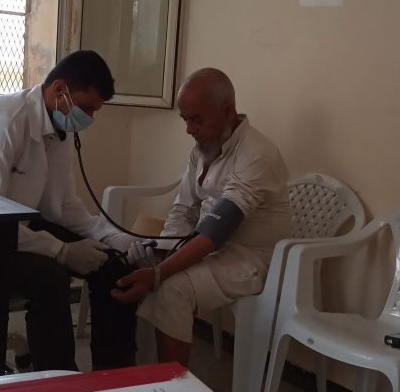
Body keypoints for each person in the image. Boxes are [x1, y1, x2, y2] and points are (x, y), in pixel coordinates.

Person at [0, 50, 142, 371]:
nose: (89, 119)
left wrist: (116, 237)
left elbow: (62, 206)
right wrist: (60, 250)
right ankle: (58, 389)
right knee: (50, 278)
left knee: (114, 265)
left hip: (11, 226)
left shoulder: (57, 128)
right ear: (59, 89)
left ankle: (113, 378)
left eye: (94, 112)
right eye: (85, 108)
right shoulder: (1, 122)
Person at [111, 68, 292, 367]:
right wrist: (162, 251)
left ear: (228, 111)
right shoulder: (202, 150)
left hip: (252, 260)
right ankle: (131, 379)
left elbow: (216, 231)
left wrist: (161, 271)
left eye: (196, 119)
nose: (189, 129)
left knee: (170, 288)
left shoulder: (257, 153)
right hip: (211, 249)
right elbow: (183, 210)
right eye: (185, 120)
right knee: (130, 262)